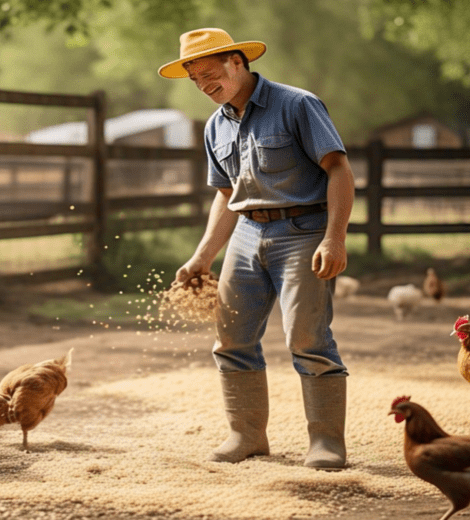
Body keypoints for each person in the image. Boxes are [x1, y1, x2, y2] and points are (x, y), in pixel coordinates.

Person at [158, 28, 355, 470]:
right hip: (246, 236)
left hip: (304, 232)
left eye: (210, 74)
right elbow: (228, 194)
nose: (205, 85)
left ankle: (326, 442)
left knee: (307, 337)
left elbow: (338, 169)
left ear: (237, 62)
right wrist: (202, 255)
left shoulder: (297, 104)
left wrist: (334, 237)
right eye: (196, 79)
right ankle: (246, 436)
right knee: (231, 338)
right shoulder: (216, 124)